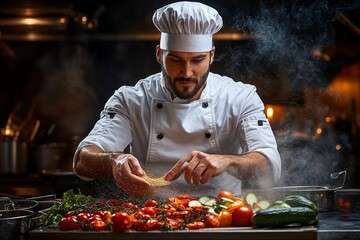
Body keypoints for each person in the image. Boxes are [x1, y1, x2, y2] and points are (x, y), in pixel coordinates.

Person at [73, 1, 281, 198]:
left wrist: (226, 161)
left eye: (197, 60)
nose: (186, 72)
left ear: (211, 55)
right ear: (159, 54)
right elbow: (82, 161)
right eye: (175, 59)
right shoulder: (132, 99)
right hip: (152, 218)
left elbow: (269, 166)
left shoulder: (240, 97)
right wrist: (113, 161)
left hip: (222, 217)